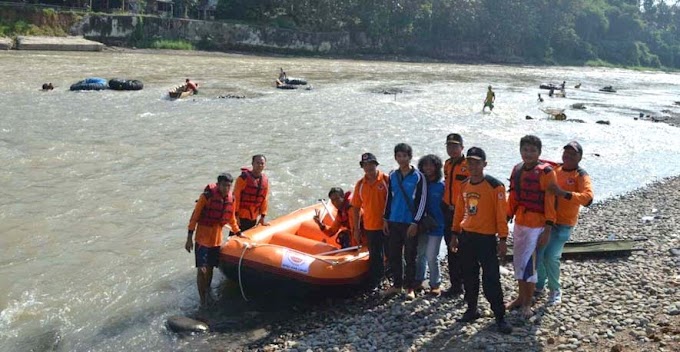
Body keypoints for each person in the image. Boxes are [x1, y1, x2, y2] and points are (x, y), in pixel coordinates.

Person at [451, 147, 512, 334]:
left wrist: (502, 240)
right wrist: (454, 233)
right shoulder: (464, 185)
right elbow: (459, 211)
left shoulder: (495, 186)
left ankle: (500, 316)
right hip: (467, 236)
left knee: (491, 278)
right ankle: (471, 309)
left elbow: (502, 216)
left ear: (484, 164)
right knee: (469, 275)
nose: (473, 166)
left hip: (486, 238)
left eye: (477, 162)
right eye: (470, 162)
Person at [536, 141, 593, 304]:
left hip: (564, 224)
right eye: (565, 152)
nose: (567, 156)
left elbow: (588, 199)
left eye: (572, 154)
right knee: (538, 253)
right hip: (547, 221)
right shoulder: (556, 169)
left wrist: (563, 193)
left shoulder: (580, 175)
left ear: (580, 157)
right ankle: (540, 285)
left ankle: (555, 289)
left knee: (551, 256)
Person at [506, 135, 557, 318]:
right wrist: (506, 217)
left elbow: (550, 201)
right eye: (525, 150)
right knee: (519, 261)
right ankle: (520, 297)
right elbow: (512, 197)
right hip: (520, 222)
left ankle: (528, 303)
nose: (528, 154)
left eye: (532, 151)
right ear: (520, 151)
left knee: (530, 264)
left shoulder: (546, 172)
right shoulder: (517, 169)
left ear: (539, 153)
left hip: (538, 225)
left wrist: (548, 230)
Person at [185, 173, 242, 307]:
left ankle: (208, 290)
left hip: (216, 239)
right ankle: (202, 299)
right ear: (218, 185)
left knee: (210, 268)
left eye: (229, 186)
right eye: (224, 185)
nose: (226, 188)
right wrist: (189, 238)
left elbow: (231, 218)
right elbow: (195, 217)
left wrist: (238, 232)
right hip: (202, 238)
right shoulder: (206, 197)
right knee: (202, 269)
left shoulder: (231, 199)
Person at [383, 143, 427, 300]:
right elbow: (389, 198)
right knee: (394, 254)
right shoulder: (393, 175)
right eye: (398, 156)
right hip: (394, 220)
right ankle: (397, 285)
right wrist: (385, 219)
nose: (401, 159)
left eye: (404, 156)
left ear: (410, 157)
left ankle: (409, 287)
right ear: (395, 157)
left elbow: (422, 200)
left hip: (410, 222)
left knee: (410, 255)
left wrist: (416, 222)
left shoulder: (418, 176)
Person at [351, 152, 389, 289]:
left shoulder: (386, 180)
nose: (368, 167)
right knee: (375, 255)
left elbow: (395, 201)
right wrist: (355, 229)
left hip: (388, 224)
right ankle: (377, 281)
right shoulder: (360, 184)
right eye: (365, 165)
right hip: (370, 225)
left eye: (371, 164)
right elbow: (355, 208)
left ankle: (398, 279)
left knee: (393, 252)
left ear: (375, 164)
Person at [441, 133, 469, 297]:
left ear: (462, 148)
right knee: (451, 249)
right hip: (448, 211)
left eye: (455, 146)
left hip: (464, 213)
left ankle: (468, 285)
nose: (452, 149)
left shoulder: (468, 165)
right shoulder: (447, 164)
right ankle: (455, 285)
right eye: (449, 146)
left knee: (464, 250)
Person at [414, 154, 446, 296]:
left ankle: (435, 284)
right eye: (425, 165)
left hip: (437, 225)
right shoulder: (419, 184)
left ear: (437, 167)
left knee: (432, 255)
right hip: (422, 225)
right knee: (420, 254)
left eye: (431, 165)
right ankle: (419, 280)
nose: (428, 168)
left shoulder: (441, 185)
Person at [233, 155, 270, 232]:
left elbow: (265, 199)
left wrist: (262, 217)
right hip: (241, 216)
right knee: (234, 238)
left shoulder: (265, 181)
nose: (259, 165)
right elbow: (236, 197)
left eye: (262, 163)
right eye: (257, 163)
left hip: (253, 217)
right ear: (252, 163)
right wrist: (235, 216)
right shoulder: (243, 178)